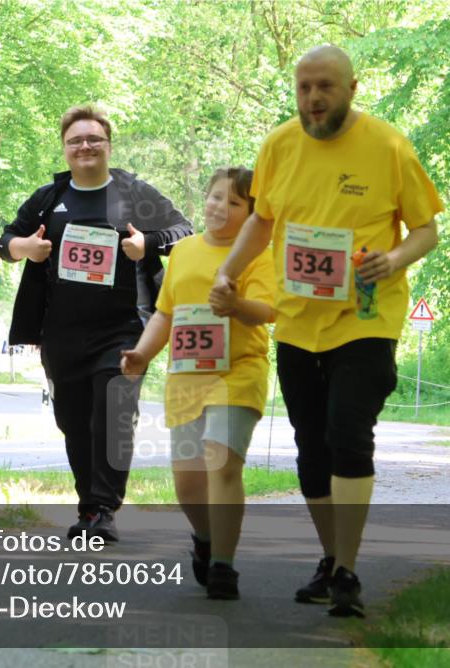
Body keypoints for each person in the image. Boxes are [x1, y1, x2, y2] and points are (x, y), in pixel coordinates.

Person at [212, 45, 442, 617]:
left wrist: (394, 259)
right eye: (304, 87)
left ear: (352, 88)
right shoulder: (278, 145)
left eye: (325, 87)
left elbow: (426, 230)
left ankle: (347, 572)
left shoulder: (388, 146)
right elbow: (262, 221)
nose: (313, 99)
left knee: (348, 432)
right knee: (311, 446)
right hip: (296, 320)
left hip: (366, 316)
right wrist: (227, 272)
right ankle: (332, 556)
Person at [0, 105, 192, 541]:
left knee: (114, 413)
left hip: (124, 328)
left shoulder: (134, 193)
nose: (84, 146)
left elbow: (184, 230)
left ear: (108, 145)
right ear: (65, 148)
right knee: (74, 420)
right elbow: (4, 242)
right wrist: (26, 247)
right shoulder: (49, 199)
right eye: (76, 141)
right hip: (62, 332)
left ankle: (104, 508)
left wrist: (148, 243)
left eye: (93, 139)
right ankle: (88, 508)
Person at [121, 168, 274, 599]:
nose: (219, 206)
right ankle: (206, 539)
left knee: (222, 464)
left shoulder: (260, 255)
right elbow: (165, 314)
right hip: (187, 378)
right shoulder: (184, 251)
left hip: (239, 372)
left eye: (233, 202)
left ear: (252, 216)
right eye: (214, 196)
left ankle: (223, 564)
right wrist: (142, 354)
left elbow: (268, 310)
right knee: (188, 484)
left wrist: (237, 304)